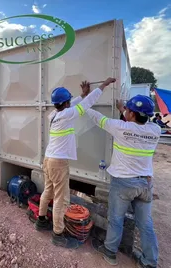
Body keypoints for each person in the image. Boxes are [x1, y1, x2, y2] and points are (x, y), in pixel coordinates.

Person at [34, 77, 116, 249]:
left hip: (48, 159)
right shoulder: (67, 114)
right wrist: (103, 84)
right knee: (61, 199)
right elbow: (86, 104)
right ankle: (57, 234)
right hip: (58, 162)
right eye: (69, 101)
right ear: (66, 103)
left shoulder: (54, 114)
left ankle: (41, 221)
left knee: (48, 190)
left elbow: (73, 104)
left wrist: (81, 95)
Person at [85, 95, 160, 268]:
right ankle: (150, 262)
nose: (124, 111)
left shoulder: (119, 127)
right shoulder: (155, 130)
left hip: (124, 183)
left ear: (132, 113)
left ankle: (110, 252)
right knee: (145, 223)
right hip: (145, 184)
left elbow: (98, 118)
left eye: (127, 110)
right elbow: (135, 125)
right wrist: (123, 110)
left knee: (116, 219)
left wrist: (84, 105)